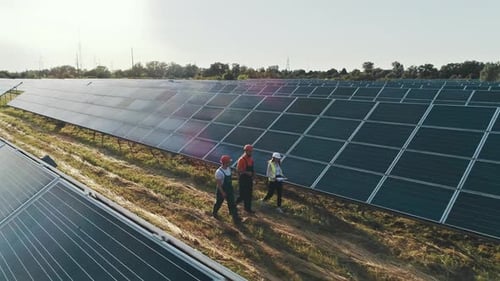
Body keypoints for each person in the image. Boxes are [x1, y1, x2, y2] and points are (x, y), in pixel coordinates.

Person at [212, 155, 241, 223]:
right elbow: (219, 184)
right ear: (225, 163)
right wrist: (223, 193)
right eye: (229, 162)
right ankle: (214, 213)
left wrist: (237, 178)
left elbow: (230, 178)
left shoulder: (228, 169)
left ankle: (235, 217)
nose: (230, 163)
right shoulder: (219, 172)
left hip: (229, 189)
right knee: (219, 202)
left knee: (232, 203)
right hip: (222, 190)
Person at [236, 144, 255, 214]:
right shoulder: (242, 159)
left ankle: (248, 209)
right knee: (242, 195)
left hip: (249, 179)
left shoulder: (251, 159)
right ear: (245, 151)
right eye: (249, 151)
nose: (250, 153)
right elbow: (238, 170)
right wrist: (247, 172)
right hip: (243, 179)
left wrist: (253, 176)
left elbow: (252, 170)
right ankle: (233, 205)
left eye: (251, 151)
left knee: (249, 195)